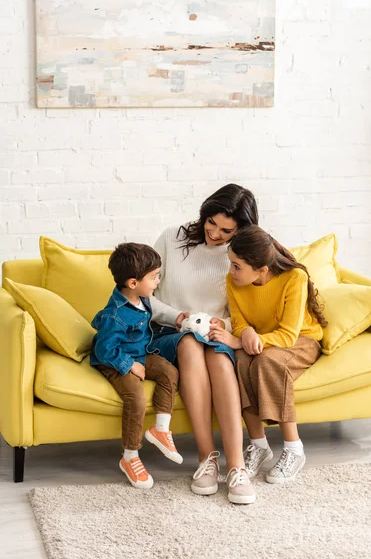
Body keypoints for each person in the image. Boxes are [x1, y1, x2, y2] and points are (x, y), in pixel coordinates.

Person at [148, 183, 258, 505]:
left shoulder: (239, 256)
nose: (215, 233)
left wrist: (220, 326)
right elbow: (143, 297)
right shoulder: (172, 237)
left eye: (227, 230)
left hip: (213, 333)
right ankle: (206, 457)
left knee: (221, 361)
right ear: (205, 213)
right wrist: (178, 318)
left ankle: (236, 466)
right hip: (169, 331)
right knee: (189, 346)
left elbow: (240, 310)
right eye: (212, 222)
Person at [210, 225, 327, 484]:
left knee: (265, 361)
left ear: (261, 269)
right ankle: (259, 445)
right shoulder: (234, 281)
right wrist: (246, 333)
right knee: (238, 360)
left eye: (237, 266)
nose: (231, 271)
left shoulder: (294, 278)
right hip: (262, 340)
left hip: (301, 341)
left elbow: (287, 335)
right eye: (231, 263)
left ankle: (294, 449)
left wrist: (245, 340)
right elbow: (239, 321)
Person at [90, 242, 182, 489]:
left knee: (169, 371)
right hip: (114, 359)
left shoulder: (143, 299)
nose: (157, 282)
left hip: (139, 352)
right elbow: (104, 349)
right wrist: (129, 365)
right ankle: (130, 457)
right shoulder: (115, 314)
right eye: (154, 278)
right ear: (133, 283)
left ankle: (161, 430)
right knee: (136, 398)